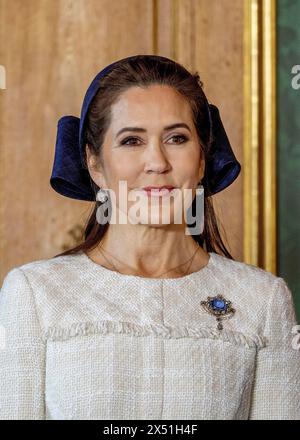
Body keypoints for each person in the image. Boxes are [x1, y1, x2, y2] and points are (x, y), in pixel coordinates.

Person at [0, 55, 299, 420]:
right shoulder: (34, 293)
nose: (157, 162)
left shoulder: (263, 301)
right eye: (131, 141)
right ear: (95, 163)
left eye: (176, 138)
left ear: (202, 158)